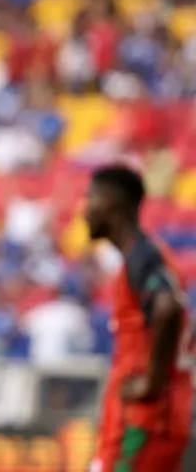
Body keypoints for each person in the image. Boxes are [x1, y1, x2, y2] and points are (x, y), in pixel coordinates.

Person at [83, 165, 192, 472]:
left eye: (90, 198)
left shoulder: (142, 257)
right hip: (155, 420)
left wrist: (151, 383)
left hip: (143, 422)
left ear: (112, 202)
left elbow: (168, 307)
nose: (84, 211)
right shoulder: (147, 257)